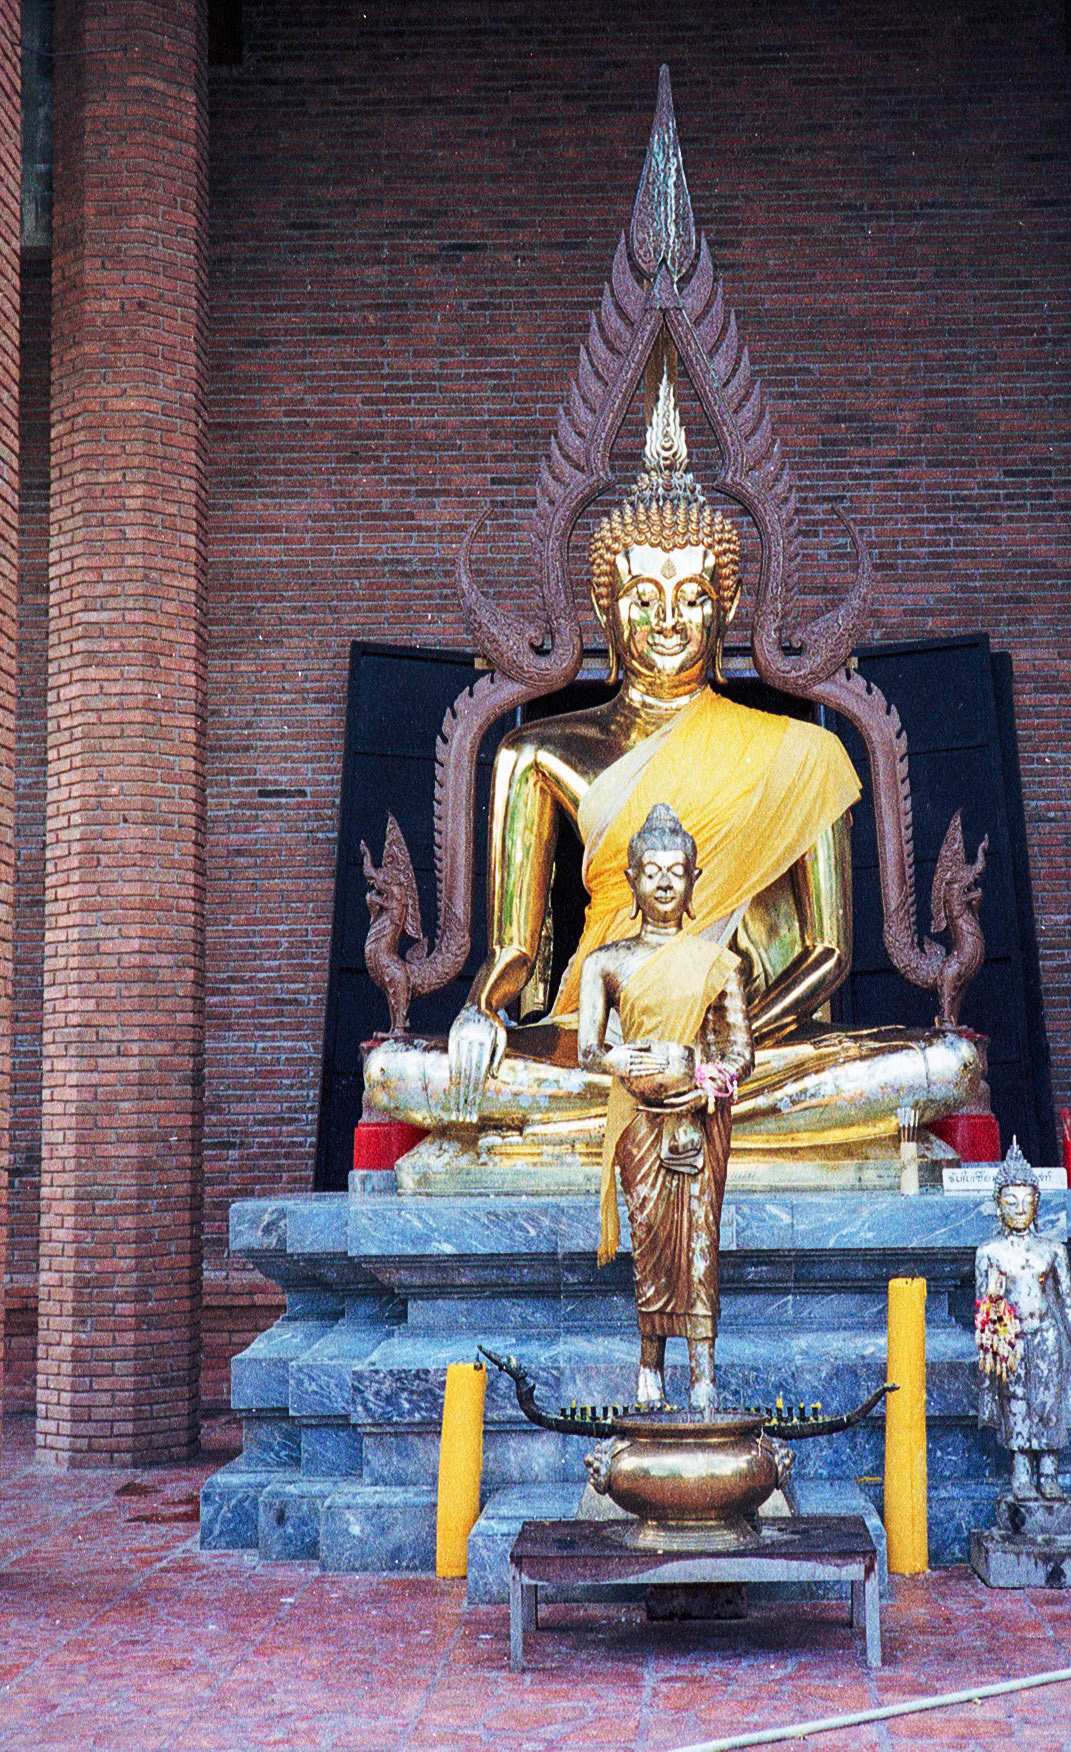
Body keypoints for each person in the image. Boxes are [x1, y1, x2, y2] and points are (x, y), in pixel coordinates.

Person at [364, 375, 980, 1180]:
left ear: (724, 611)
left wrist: (720, 1043)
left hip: (755, 1044)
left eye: (692, 597)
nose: (666, 621)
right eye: (642, 596)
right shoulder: (539, 752)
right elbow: (515, 949)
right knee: (404, 1075)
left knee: (934, 1069)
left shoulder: (800, 752)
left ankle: (570, 1136)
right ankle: (612, 1119)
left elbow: (828, 950)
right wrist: (482, 1010)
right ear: (604, 610)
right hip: (600, 1039)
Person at [577, 804, 753, 1409]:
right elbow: (586, 1050)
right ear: (631, 880)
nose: (663, 882)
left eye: (676, 870)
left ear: (694, 880)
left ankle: (703, 1373)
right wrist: (620, 1062)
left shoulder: (718, 963)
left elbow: (740, 1052)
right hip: (638, 1119)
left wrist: (705, 1082)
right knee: (649, 1240)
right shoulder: (605, 963)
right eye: (650, 870)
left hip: (699, 1122)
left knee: (700, 1243)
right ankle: (649, 1369)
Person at [975, 1141, 1071, 1500]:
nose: (1020, 1209)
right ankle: (1021, 1472)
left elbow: (1067, 1303)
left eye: (1027, 1200)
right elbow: (982, 1305)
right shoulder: (990, 1253)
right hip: (1012, 1338)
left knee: (1048, 1402)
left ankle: (1049, 1472)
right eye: (1011, 1201)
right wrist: (992, 1335)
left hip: (1048, 1335)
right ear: (999, 1204)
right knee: (1016, 1401)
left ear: (1037, 1202)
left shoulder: (1052, 1251)